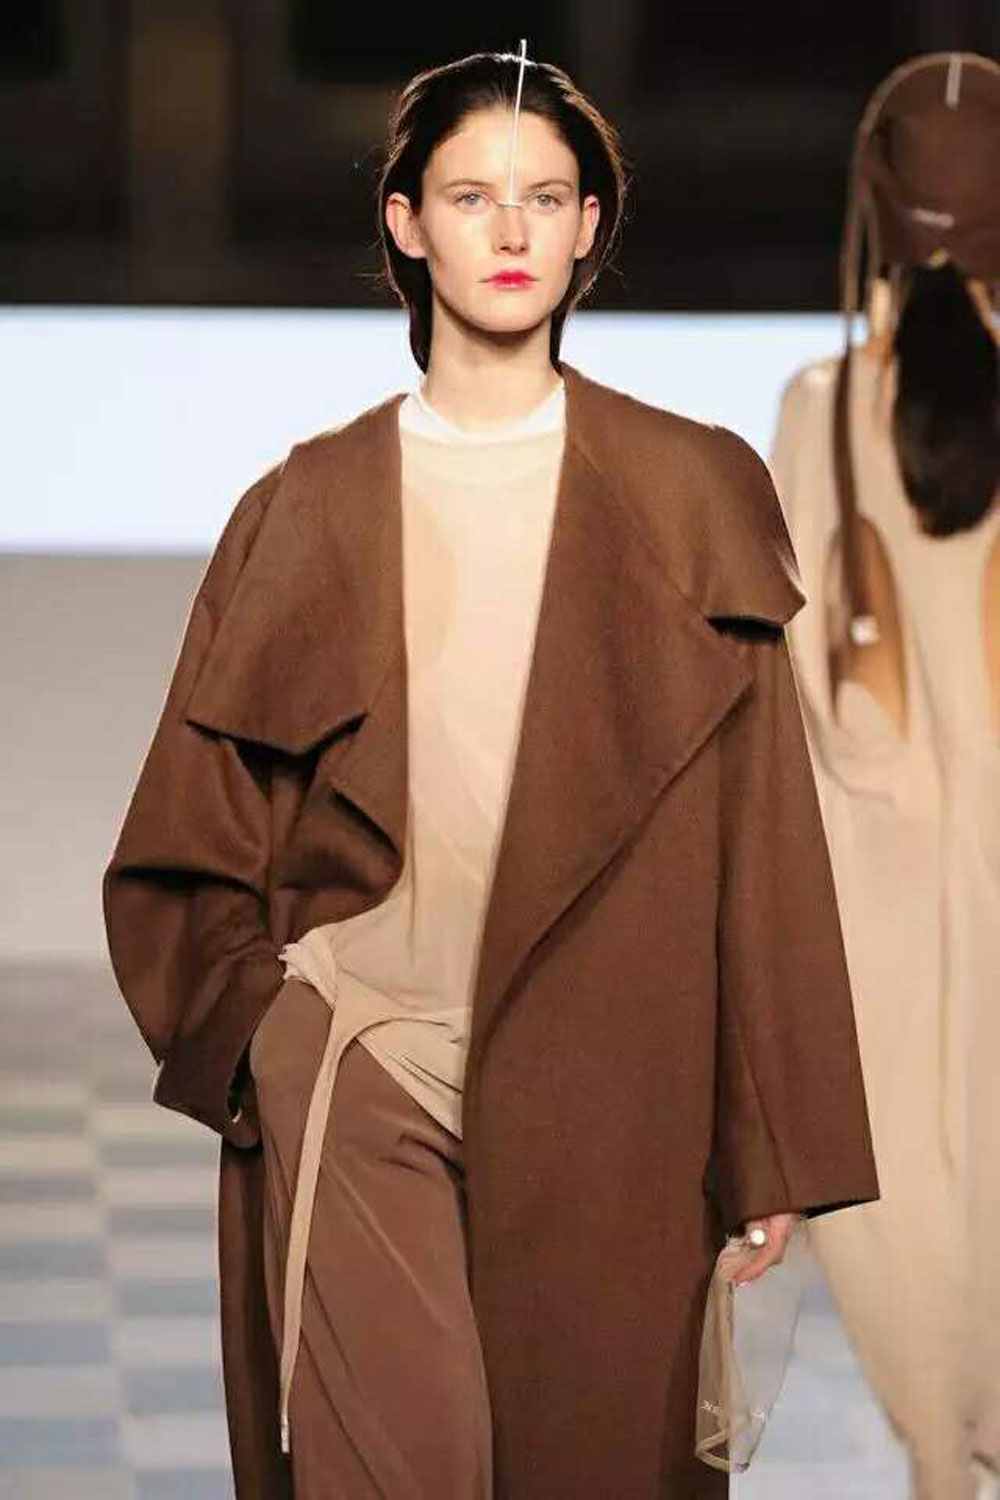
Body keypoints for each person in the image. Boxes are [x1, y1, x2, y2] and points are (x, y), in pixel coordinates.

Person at [103, 46, 879, 1499]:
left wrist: (769, 1133)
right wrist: (267, 1033)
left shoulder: (695, 490)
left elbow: (763, 830)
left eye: (545, 197)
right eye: (472, 196)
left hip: (618, 1081)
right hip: (367, 1061)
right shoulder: (308, 502)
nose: (511, 230)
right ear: (407, 225)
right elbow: (191, 826)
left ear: (591, 227)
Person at [768, 51, 1000, 1500]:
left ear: (876, 198)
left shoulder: (824, 404)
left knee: (903, 1179)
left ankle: (938, 1451)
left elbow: (789, 662)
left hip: (876, 880)